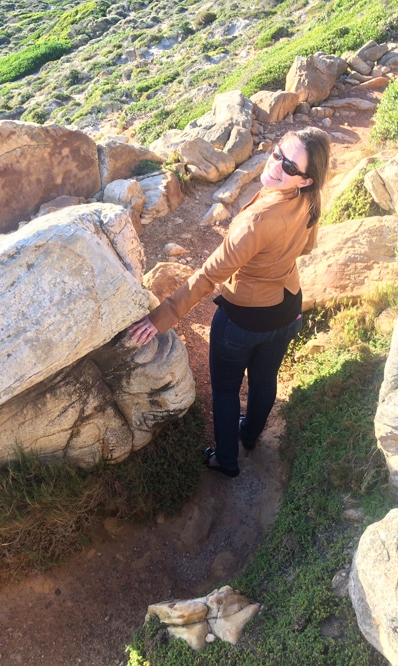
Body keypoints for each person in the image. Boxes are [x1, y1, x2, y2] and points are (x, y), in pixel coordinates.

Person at [129, 127, 331, 477]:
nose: (277, 165)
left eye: (290, 167)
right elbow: (308, 247)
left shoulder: (254, 222)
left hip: (244, 319)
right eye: (278, 153)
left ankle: (226, 460)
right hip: (288, 308)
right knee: (265, 379)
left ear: (304, 180)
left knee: (224, 391)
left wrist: (162, 316)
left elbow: (208, 276)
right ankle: (250, 436)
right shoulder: (310, 201)